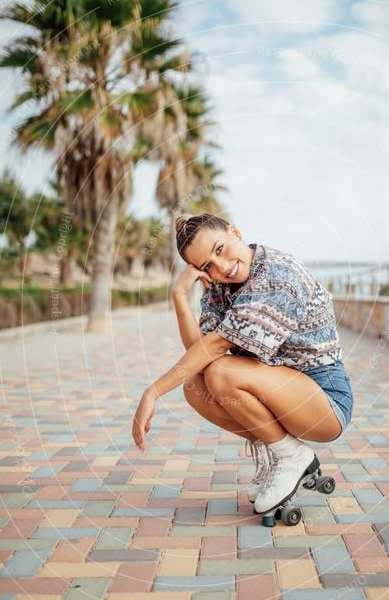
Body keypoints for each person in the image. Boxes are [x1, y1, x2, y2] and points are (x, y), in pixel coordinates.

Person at [132, 213, 353, 517]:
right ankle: (276, 452)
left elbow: (216, 348)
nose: (220, 267)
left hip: (325, 400)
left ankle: (291, 456)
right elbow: (199, 353)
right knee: (195, 387)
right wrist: (179, 296)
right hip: (280, 391)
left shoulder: (277, 274)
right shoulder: (221, 289)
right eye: (207, 265)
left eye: (220, 249)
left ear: (234, 232)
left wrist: (152, 392)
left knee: (221, 372)